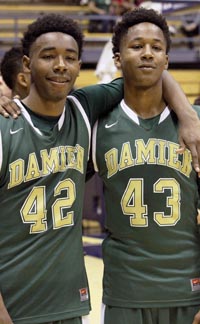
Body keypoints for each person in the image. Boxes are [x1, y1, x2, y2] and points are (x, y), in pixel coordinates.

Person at [0, 11, 200, 324]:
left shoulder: (84, 111)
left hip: (76, 303)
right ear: (27, 66)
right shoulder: (80, 120)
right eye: (49, 56)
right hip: (32, 302)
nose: (60, 65)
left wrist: (188, 114)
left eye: (70, 57)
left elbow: (148, 70)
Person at [91, 8, 200, 324]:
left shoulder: (194, 123)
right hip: (126, 294)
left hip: (188, 291)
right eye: (137, 46)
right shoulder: (96, 125)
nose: (147, 54)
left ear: (167, 60)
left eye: (156, 47)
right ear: (117, 58)